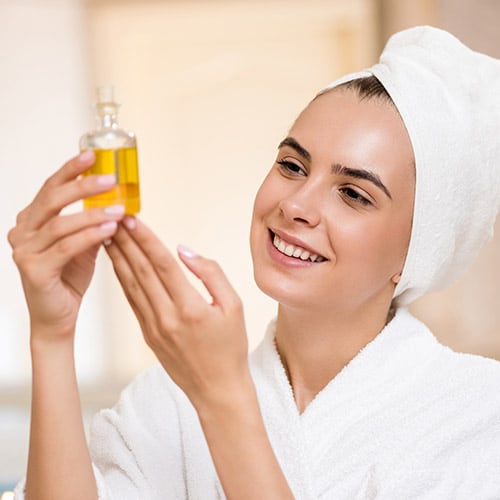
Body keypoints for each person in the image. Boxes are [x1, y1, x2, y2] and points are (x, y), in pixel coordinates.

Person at [8, 25, 500, 499]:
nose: (296, 205)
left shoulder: (475, 414)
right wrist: (52, 337)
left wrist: (223, 399)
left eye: (353, 194)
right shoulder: (168, 402)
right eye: (292, 165)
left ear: (416, 252)